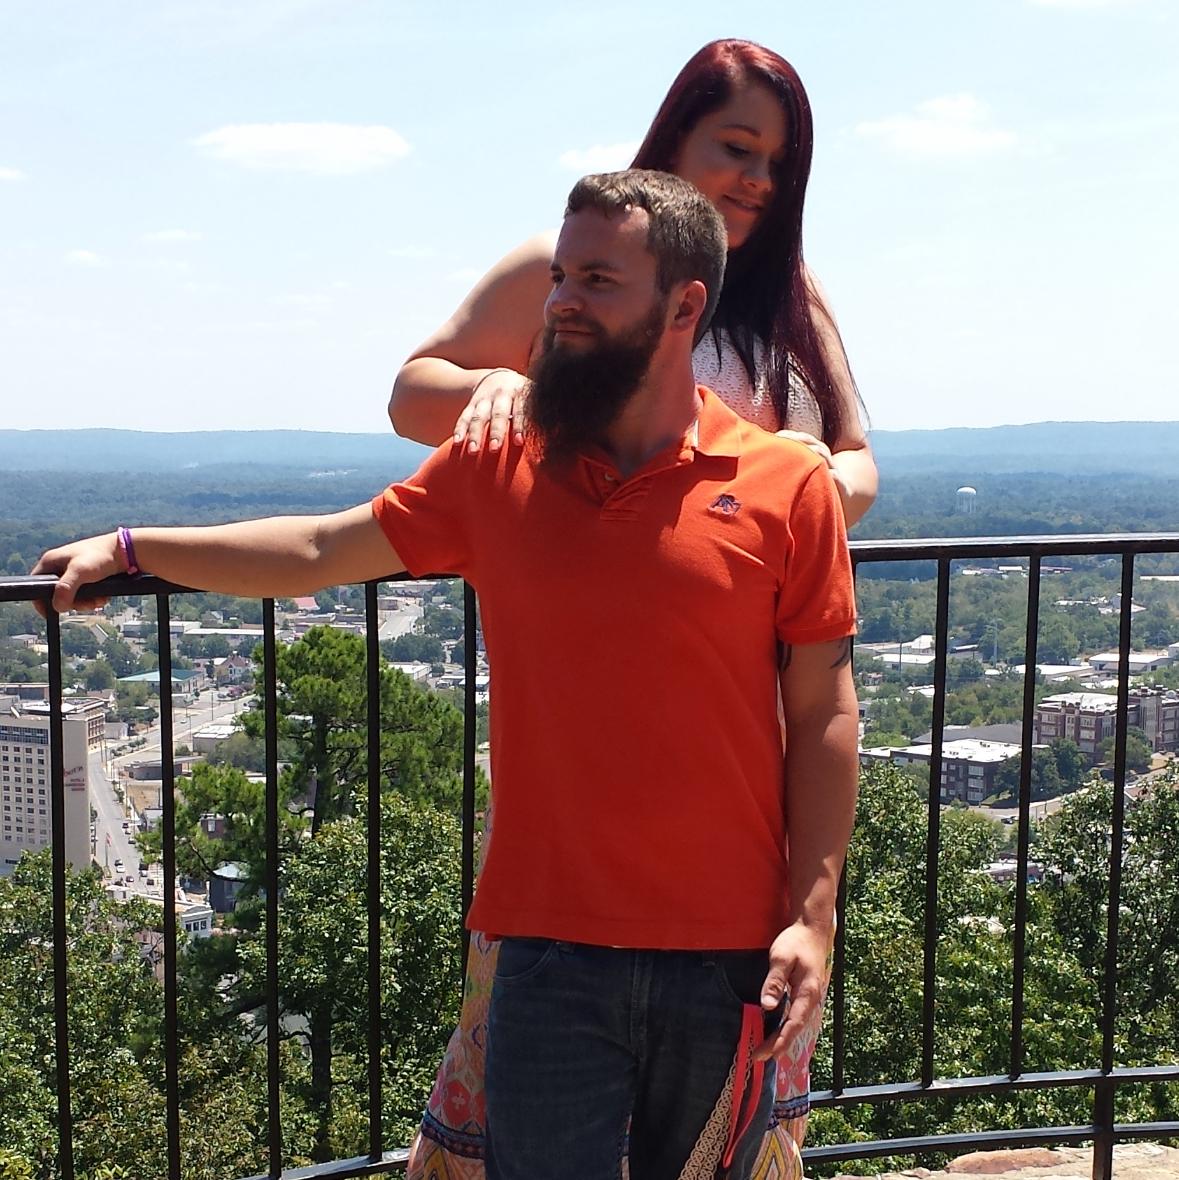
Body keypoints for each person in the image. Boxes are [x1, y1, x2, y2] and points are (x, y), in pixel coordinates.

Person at [35, 170, 859, 1180]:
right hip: (547, 948)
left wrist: (812, 920)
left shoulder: (787, 483)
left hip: (728, 955)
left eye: (598, 280)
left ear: (684, 305)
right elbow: (317, 549)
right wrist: (131, 548)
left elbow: (824, 712)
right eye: (561, 275)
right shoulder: (500, 465)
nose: (561, 302)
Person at [388, 39, 874, 1180]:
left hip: (742, 740)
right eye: (735, 147)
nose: (757, 179)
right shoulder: (577, 264)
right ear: (674, 138)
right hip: (599, 740)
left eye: (778, 163)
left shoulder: (792, 299)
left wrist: (803, 484)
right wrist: (497, 387)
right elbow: (414, 393)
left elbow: (856, 458)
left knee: (722, 1106)